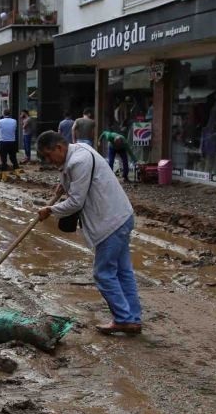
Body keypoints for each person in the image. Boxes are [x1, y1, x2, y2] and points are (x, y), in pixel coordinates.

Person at [36, 131, 142, 335]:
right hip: (120, 216)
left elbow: (76, 202)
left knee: (103, 273)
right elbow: (77, 181)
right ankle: (132, 319)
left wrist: (50, 210)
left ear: (59, 147)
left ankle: (124, 319)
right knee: (122, 272)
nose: (49, 161)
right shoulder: (78, 152)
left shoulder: (79, 161)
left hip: (111, 222)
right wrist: (64, 185)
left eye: (49, 155)